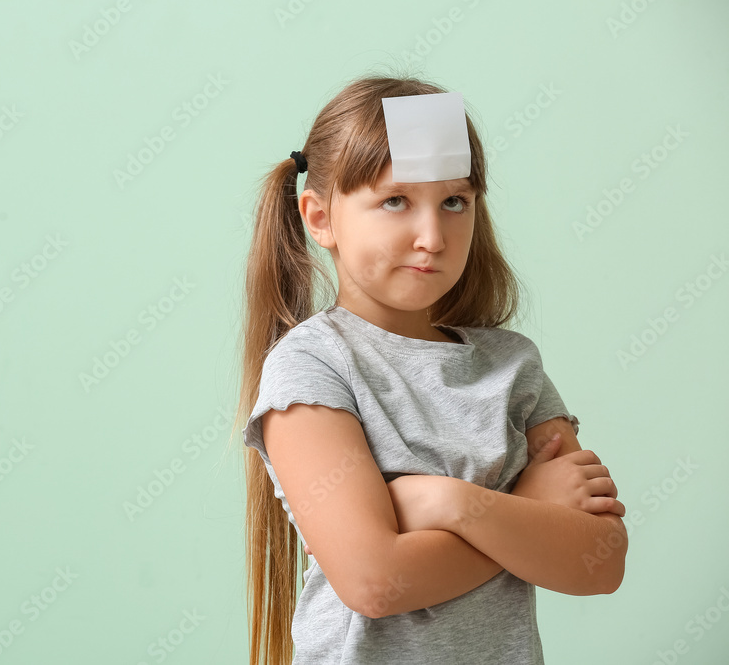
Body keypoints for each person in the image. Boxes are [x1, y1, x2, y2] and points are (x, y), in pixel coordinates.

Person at [232, 74, 628, 665]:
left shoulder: (511, 365)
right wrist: (523, 508)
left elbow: (600, 562)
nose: (432, 237)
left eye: (454, 201)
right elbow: (373, 581)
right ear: (319, 218)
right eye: (395, 201)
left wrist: (448, 503)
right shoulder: (314, 366)